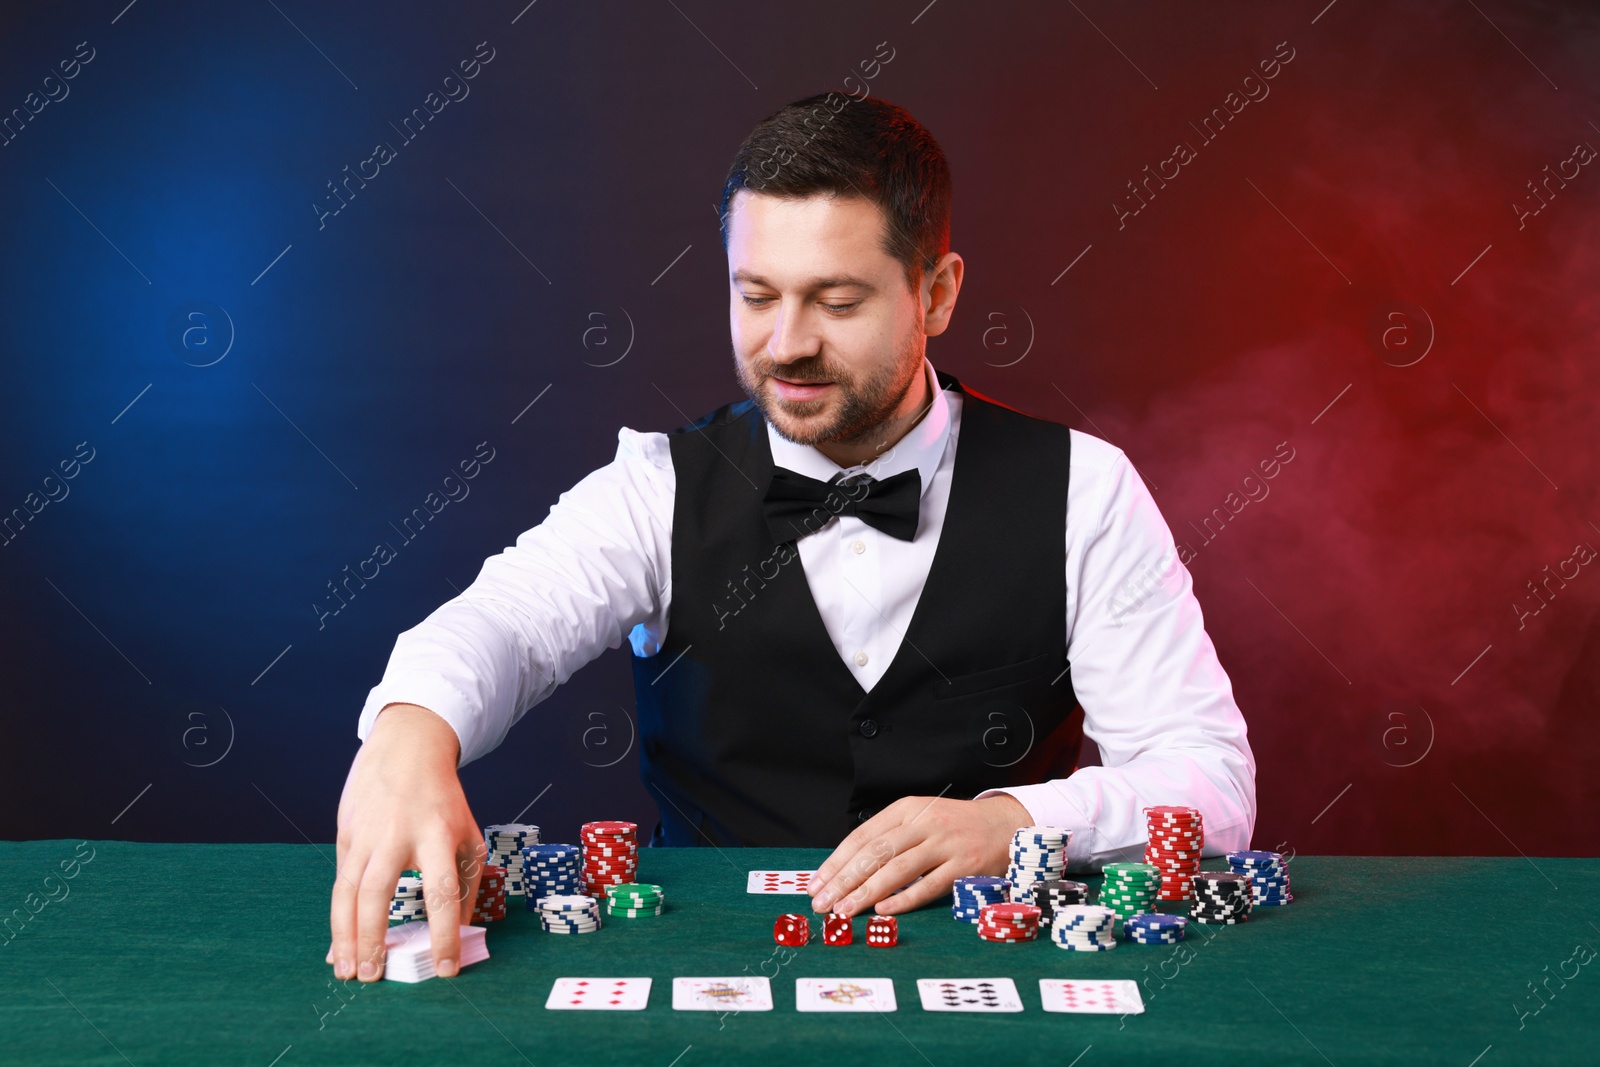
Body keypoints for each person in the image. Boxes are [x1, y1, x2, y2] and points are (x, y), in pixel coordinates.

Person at [327, 92, 1256, 983]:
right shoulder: (656, 488)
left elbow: (1211, 780)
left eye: (837, 301)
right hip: (709, 976)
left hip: (997, 980)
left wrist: (1013, 820)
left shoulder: (1083, 491)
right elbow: (504, 623)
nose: (785, 343)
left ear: (936, 294)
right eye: (756, 294)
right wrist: (411, 732)